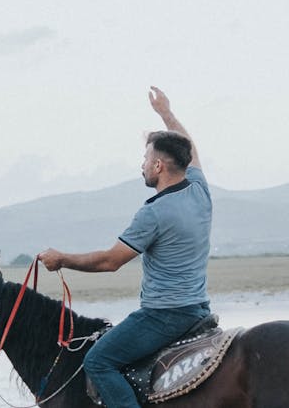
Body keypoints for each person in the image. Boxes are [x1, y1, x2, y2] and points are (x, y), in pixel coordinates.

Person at [38, 86, 211, 408]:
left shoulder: (154, 213)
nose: (141, 165)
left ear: (158, 167)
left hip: (164, 315)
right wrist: (166, 114)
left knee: (98, 360)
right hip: (198, 309)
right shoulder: (200, 189)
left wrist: (61, 259)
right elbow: (190, 148)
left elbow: (110, 261)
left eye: (145, 159)